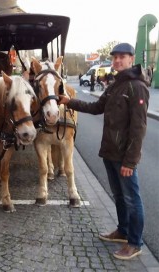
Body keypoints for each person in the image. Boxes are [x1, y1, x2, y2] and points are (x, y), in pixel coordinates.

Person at [59, 43, 149, 260]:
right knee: (119, 195)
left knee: (131, 198)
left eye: (122, 57)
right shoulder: (115, 85)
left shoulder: (136, 87)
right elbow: (95, 107)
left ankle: (135, 243)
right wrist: (69, 101)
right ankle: (122, 231)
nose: (117, 61)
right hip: (109, 152)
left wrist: (130, 162)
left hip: (124, 157)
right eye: (115, 57)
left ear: (131, 59)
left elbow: (139, 129)